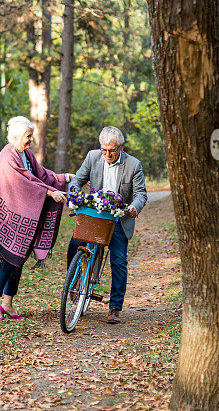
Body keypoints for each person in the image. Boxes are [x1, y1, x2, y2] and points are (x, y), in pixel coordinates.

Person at [0, 116, 74, 321]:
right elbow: (23, 183)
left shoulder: (26, 154)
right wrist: (49, 193)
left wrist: (64, 177)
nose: (30, 140)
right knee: (9, 259)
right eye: (28, 136)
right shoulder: (7, 156)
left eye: (31, 136)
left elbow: (41, 175)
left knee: (18, 260)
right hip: (9, 216)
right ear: (16, 136)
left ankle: (7, 302)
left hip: (24, 217)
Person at [67, 126, 147, 324]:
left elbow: (141, 194)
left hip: (119, 218)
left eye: (111, 150)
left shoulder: (133, 164)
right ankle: (74, 281)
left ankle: (114, 308)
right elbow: (77, 181)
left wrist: (133, 208)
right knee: (74, 244)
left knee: (118, 261)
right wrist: (75, 194)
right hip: (94, 214)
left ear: (121, 147)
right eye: (104, 149)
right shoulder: (93, 157)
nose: (107, 154)